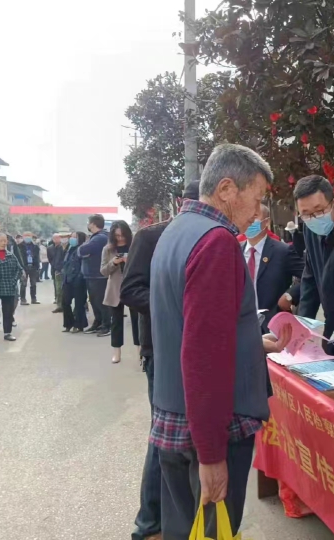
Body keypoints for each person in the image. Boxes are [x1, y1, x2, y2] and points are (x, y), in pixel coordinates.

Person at [149, 144, 272, 539]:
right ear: (226, 189)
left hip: (174, 415)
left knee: (183, 528)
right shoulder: (217, 241)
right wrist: (212, 455)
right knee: (212, 530)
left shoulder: (176, 230)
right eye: (257, 198)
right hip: (207, 428)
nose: (258, 213)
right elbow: (203, 357)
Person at [121, 179, 201, 540]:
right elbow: (131, 290)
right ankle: (149, 522)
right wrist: (175, 307)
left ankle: (184, 515)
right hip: (162, 350)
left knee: (193, 438)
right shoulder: (152, 237)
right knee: (164, 438)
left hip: (201, 352)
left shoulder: (213, 237)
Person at [294, 175, 334, 366]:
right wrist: (303, 325)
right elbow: (310, 278)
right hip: (331, 327)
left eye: (319, 210)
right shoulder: (310, 230)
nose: (313, 218)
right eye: (306, 214)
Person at [242, 204, 304, 331]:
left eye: (255, 216)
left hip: (273, 326)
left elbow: (309, 277)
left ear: (266, 222)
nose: (249, 219)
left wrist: (290, 295)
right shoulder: (235, 251)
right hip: (242, 326)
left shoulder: (282, 251)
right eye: (246, 214)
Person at [101, 220, 139, 362]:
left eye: (123, 235)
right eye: (117, 236)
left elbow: (142, 265)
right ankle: (116, 352)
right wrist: (114, 262)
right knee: (116, 322)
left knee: (137, 321)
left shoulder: (135, 245)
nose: (121, 238)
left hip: (134, 286)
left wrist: (129, 261)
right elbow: (103, 271)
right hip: (115, 288)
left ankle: (140, 351)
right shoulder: (108, 249)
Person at [78, 214, 110, 334]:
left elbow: (82, 250)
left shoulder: (100, 238)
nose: (88, 225)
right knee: (94, 301)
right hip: (92, 275)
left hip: (98, 275)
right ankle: (98, 322)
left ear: (93, 224)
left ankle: (106, 325)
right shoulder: (95, 237)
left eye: (89, 222)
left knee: (101, 301)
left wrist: (82, 247)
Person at [62, 232, 89, 333]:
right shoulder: (69, 249)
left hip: (78, 279)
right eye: (71, 237)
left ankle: (79, 325)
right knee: (65, 302)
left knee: (79, 304)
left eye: (74, 237)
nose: (71, 239)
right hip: (67, 279)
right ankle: (68, 324)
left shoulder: (82, 249)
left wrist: (79, 276)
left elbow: (84, 265)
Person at [18, 231, 41, 305]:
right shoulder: (19, 246)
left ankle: (33, 299)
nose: (27, 237)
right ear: (23, 237)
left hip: (33, 267)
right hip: (24, 267)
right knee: (23, 284)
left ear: (31, 236)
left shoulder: (35, 246)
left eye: (29, 235)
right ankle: (23, 299)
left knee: (33, 284)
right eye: (26, 235)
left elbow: (37, 257)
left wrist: (37, 266)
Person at [49, 233, 68, 313]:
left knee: (65, 289)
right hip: (57, 270)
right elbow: (52, 259)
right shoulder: (52, 248)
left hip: (66, 271)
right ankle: (59, 305)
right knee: (58, 289)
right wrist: (56, 268)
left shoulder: (67, 247)